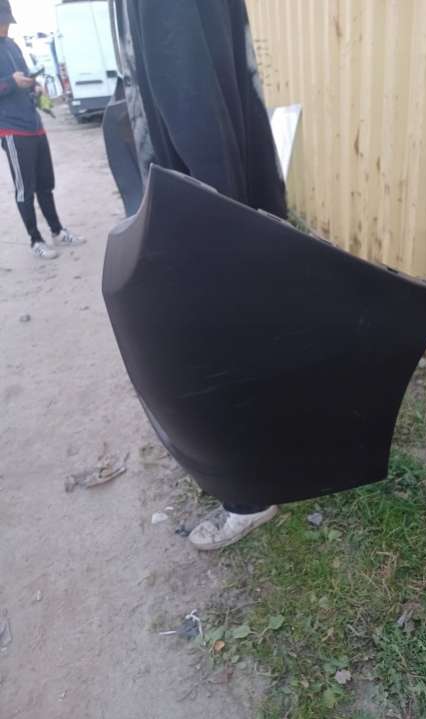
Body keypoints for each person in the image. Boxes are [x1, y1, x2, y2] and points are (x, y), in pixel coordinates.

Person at [108, 0, 287, 551]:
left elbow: (193, 109)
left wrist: (216, 235)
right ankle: (270, 463)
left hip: (206, 206)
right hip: (227, 197)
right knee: (249, 340)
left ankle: (249, 497)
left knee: (217, 352)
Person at [0, 1, 82, 259]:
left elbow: (25, 75)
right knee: (25, 189)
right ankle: (35, 240)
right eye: (2, 22)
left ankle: (57, 231)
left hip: (34, 124)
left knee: (45, 183)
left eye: (7, 21)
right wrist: (10, 82)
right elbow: (9, 83)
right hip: (12, 129)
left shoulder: (12, 46)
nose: (5, 27)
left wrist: (35, 86)